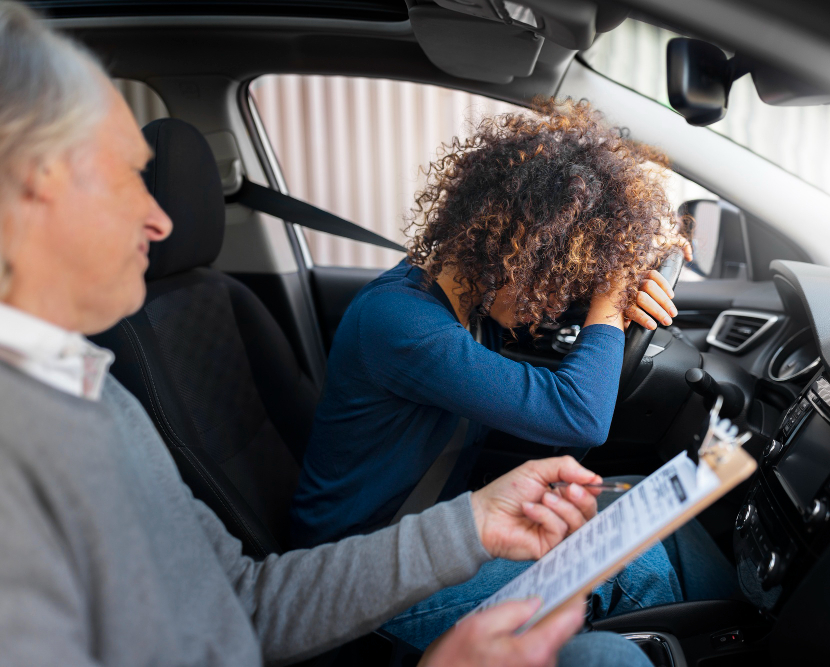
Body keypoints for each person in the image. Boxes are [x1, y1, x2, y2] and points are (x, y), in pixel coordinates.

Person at [0, 4, 654, 666]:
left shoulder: (94, 392)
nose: (159, 220)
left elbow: (242, 604)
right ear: (36, 186)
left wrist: (473, 522)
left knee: (626, 540)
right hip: (354, 572)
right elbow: (578, 412)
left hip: (340, 566)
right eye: (124, 177)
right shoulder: (24, 455)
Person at [289, 100, 737, 649]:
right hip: (357, 585)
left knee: (655, 500)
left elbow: (575, 308)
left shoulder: (471, 298)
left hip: (428, 539)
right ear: (510, 249)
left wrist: (630, 270)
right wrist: (608, 301)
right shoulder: (400, 322)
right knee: (627, 558)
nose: (552, 305)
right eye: (554, 278)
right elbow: (579, 418)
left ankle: (740, 638)